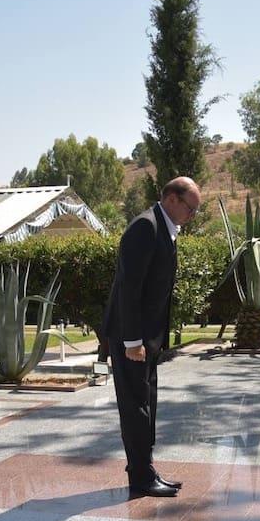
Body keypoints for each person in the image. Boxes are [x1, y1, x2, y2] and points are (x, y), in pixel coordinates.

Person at [103, 176, 200, 497]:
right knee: (136, 406)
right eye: (191, 208)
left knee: (146, 403)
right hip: (132, 339)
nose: (193, 215)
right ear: (172, 199)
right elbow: (129, 289)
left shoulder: (163, 229)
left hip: (147, 339)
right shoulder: (146, 227)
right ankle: (141, 477)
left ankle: (145, 469)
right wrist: (132, 342)